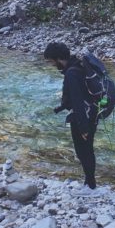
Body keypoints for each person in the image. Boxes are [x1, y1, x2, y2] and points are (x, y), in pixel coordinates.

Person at [44, 41, 98, 190]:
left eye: (52, 61)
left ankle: (91, 186)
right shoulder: (78, 66)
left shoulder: (71, 73)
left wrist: (83, 128)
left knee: (83, 152)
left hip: (83, 117)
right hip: (92, 111)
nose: (52, 65)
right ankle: (90, 182)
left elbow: (78, 101)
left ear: (59, 58)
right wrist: (62, 106)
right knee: (87, 150)